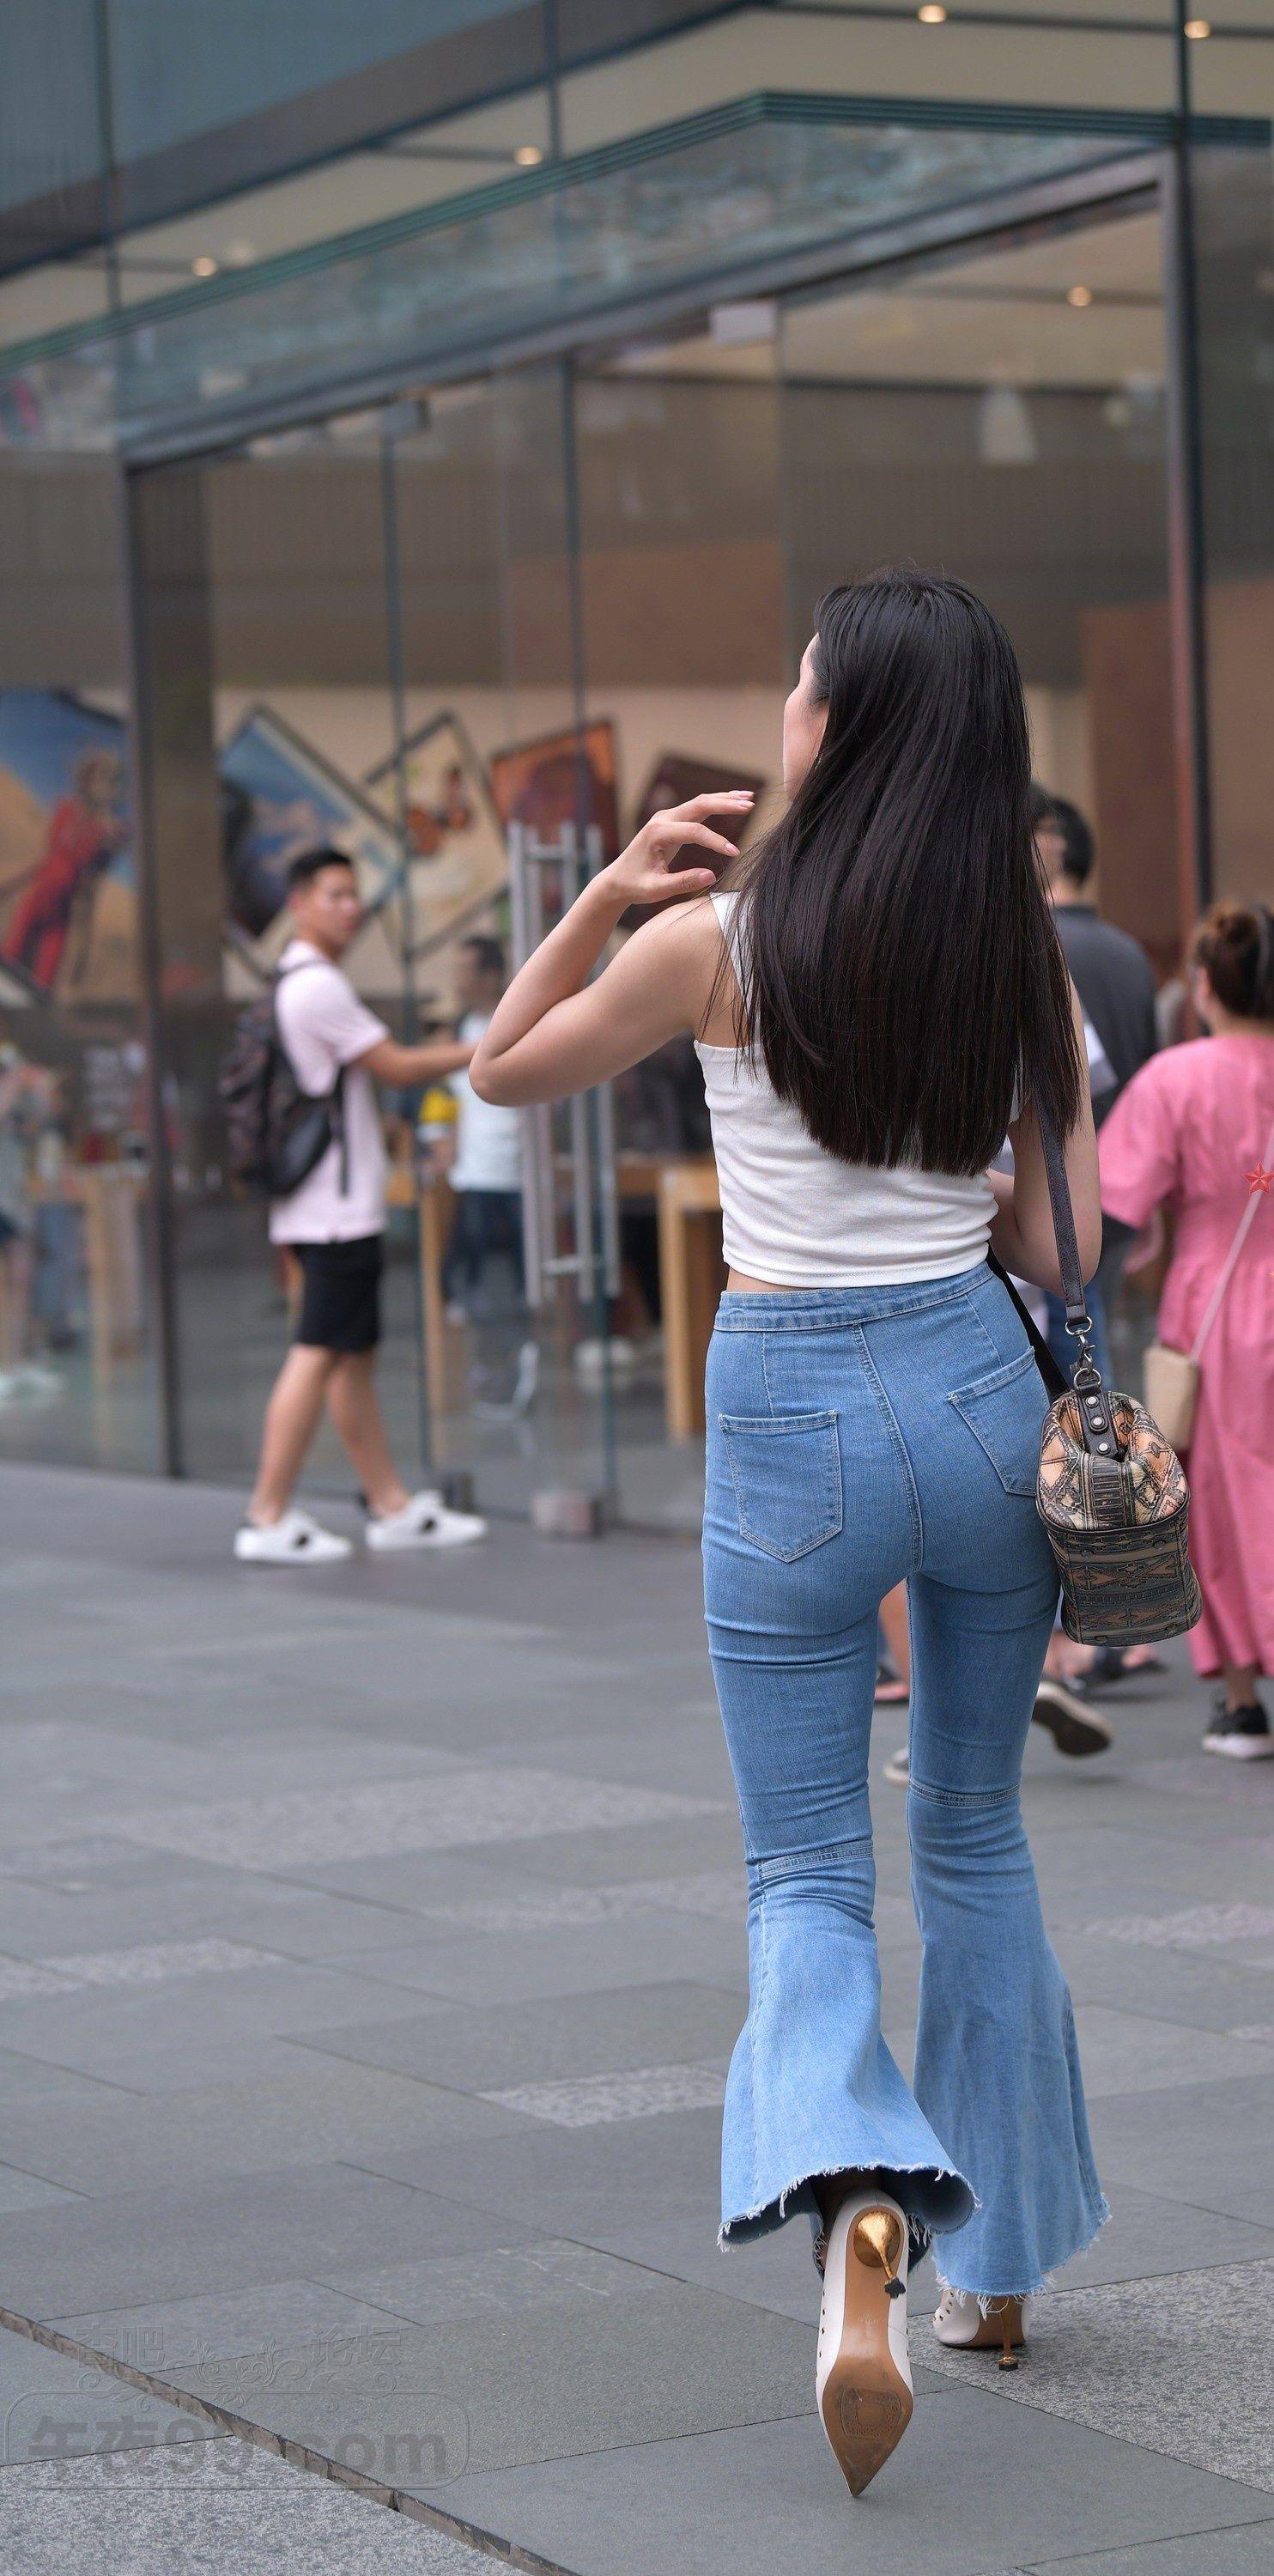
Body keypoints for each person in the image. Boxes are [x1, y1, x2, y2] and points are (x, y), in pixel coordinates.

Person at [470, 572, 1107, 2497]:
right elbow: (1053, 1237)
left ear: (835, 725)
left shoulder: (713, 946)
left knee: (806, 1875)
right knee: (974, 1833)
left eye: (798, 689)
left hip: (786, 1417)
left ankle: (857, 2207)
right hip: (978, 1395)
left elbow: (500, 1066)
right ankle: (996, 2267)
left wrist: (605, 892)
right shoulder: (1013, 957)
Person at [234, 848, 487, 1564]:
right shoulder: (317, 988)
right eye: (335, 895)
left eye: (354, 895)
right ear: (299, 903)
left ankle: (389, 1505)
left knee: (350, 1361)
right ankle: (267, 1516)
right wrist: (482, 1045)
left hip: (320, 1209)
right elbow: (397, 1067)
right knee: (318, 1352)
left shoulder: (289, 982)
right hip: (336, 1211)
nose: (351, 908)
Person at [1099, 900, 1274, 1759]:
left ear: (1203, 986)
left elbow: (1115, 1198)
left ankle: (1241, 1699)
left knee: (1222, 1491)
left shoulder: (1176, 1078)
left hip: (1216, 1303)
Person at [440, 933, 537, 1416]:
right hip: (474, 1174)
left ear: (491, 975)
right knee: (469, 1281)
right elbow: (444, 1098)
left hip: (519, 1176)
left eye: (467, 970)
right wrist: (440, 1140)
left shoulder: (516, 1024)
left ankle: (521, 1363)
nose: (458, 980)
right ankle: (490, 1366)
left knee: (519, 1281)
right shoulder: (457, 1030)